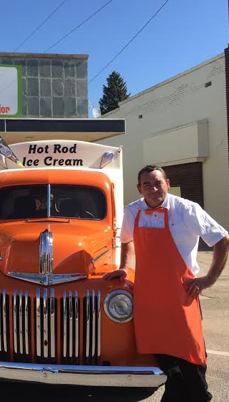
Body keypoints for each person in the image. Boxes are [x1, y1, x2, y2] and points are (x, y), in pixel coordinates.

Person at [104, 165, 229, 402]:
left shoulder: (186, 210)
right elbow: (127, 240)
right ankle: (175, 394)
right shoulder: (132, 211)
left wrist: (209, 278)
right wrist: (123, 266)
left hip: (182, 294)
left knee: (191, 352)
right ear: (139, 188)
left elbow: (222, 239)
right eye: (147, 185)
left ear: (168, 184)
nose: (153, 189)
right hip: (148, 295)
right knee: (161, 352)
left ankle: (200, 396)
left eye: (158, 183)